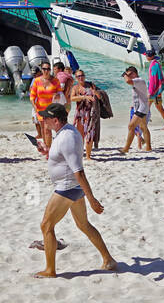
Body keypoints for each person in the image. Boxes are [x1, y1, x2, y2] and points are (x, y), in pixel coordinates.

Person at [33, 104, 116, 278]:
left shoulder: (67, 137)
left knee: (46, 225)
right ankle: (108, 259)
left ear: (55, 120)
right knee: (83, 225)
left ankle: (50, 270)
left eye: (46, 118)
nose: (43, 121)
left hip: (67, 188)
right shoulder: (64, 132)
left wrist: (92, 199)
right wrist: (46, 151)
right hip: (73, 187)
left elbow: (79, 171)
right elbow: (62, 157)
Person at [69, 70, 103, 159]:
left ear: (84, 76)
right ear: (76, 78)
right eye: (78, 76)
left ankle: (88, 156)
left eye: (82, 75)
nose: (81, 77)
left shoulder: (91, 85)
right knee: (80, 135)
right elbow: (72, 98)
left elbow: (99, 97)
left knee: (90, 134)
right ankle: (80, 153)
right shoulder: (75, 88)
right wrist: (84, 97)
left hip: (91, 113)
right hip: (80, 113)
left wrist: (95, 92)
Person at [120, 65, 151, 153]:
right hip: (141, 107)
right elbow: (138, 96)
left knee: (131, 126)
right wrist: (133, 106)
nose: (128, 76)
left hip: (142, 108)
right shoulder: (137, 82)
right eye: (128, 74)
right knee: (143, 127)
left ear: (134, 73)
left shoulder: (139, 80)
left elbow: (128, 81)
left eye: (130, 74)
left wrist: (124, 75)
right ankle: (149, 147)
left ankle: (126, 149)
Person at [29, 63, 60, 145]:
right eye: (44, 69)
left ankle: (49, 150)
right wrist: (35, 107)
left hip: (51, 109)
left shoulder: (55, 81)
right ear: (41, 70)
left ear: (50, 70)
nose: (46, 71)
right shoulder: (37, 81)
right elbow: (32, 96)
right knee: (43, 128)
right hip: (39, 109)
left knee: (47, 129)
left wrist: (58, 95)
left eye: (48, 69)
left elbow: (60, 94)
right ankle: (46, 146)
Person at [145, 50, 164, 130]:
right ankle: (144, 125)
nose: (146, 57)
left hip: (155, 92)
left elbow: (154, 80)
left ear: (149, 56)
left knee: (159, 108)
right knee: (147, 107)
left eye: (146, 56)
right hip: (155, 91)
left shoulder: (154, 65)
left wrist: (150, 92)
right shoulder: (155, 63)